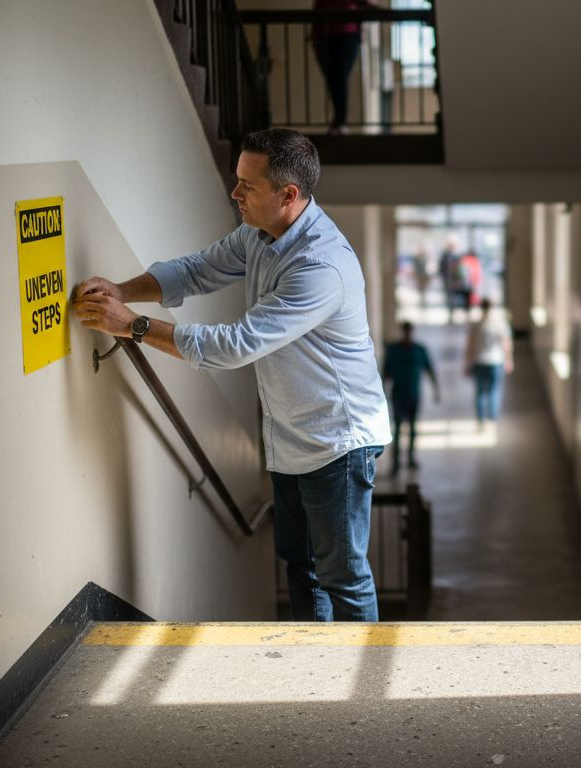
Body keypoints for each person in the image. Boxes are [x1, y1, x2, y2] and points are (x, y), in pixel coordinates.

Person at [71, 128, 391, 623]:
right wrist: (121, 289)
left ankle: (361, 691)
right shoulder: (261, 235)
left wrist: (130, 325)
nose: (235, 193)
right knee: (300, 568)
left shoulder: (321, 266)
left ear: (288, 195)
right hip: (289, 435)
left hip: (338, 440)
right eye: (236, 180)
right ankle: (319, 665)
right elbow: (198, 269)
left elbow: (236, 345)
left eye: (248, 185)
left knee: (342, 576)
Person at [312, 0, 379, 135]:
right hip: (326, 35)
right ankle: (339, 121)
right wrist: (315, 37)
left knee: (339, 77)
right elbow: (318, 8)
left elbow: (368, 4)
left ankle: (340, 121)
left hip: (347, 34)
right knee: (333, 78)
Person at [382, 321, 439, 474]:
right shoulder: (394, 351)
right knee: (398, 428)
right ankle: (396, 462)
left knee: (413, 427)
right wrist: (381, 393)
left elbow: (429, 369)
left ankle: (411, 458)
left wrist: (436, 389)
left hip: (413, 394)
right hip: (398, 394)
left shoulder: (419, 350)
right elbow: (385, 373)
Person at [465, 298, 513, 425]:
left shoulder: (476, 325)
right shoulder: (500, 324)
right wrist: (508, 360)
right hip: (496, 361)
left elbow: (470, 345)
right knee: (494, 390)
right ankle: (492, 418)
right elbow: (506, 344)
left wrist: (467, 362)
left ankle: (481, 419)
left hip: (479, 361)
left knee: (480, 392)